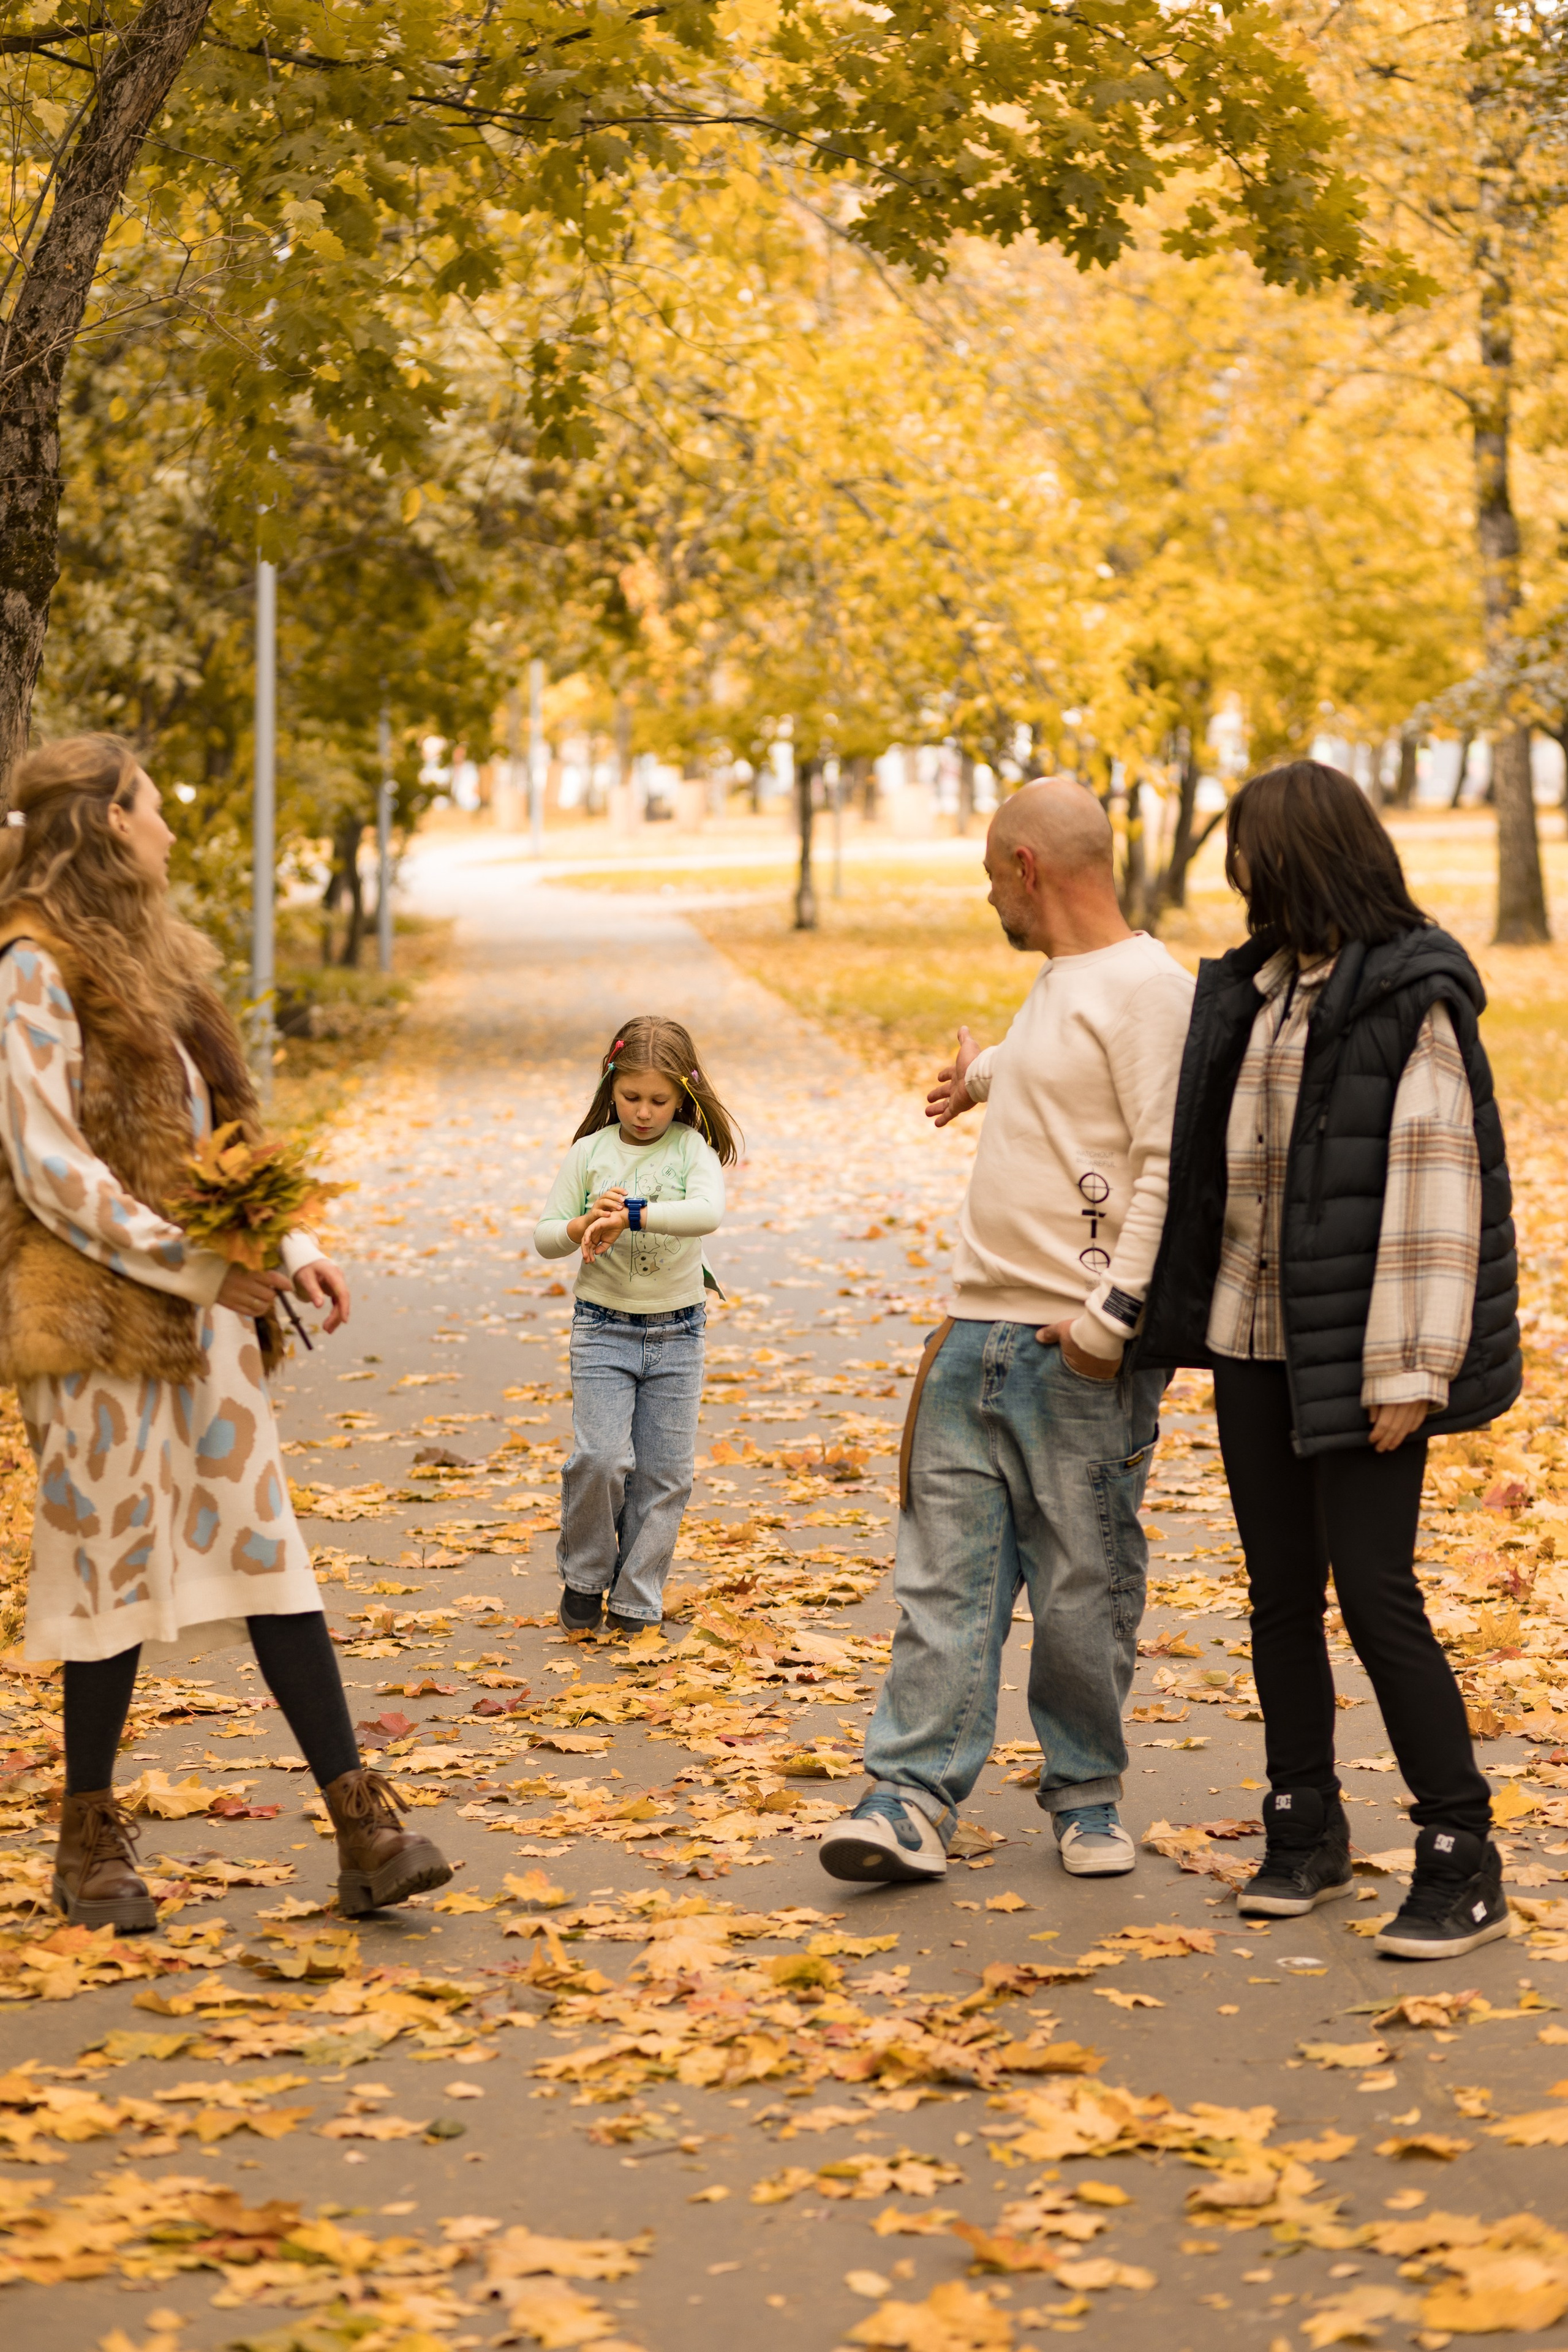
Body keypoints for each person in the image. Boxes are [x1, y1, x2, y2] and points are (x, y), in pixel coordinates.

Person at [0, 734, 452, 1931]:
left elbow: (220, 1132)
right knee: (110, 1572)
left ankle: (365, 1825)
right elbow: (51, 1169)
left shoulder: (161, 959)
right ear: (102, 823)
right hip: (97, 1322)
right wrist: (202, 1269)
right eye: (152, 808)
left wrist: (286, 1245)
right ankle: (88, 1843)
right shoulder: (33, 967)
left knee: (264, 1546)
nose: (169, 829)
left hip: (203, 1314)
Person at [1138, 761, 1520, 1960]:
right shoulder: (1260, 991)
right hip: (1255, 1341)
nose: (1232, 872)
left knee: (1373, 1593)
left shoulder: (1409, 997)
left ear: (1298, 858)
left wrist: (1409, 1368)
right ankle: (1301, 1826)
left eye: (1248, 851)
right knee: (1276, 1597)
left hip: (1363, 1356)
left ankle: (1460, 1854)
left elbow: (1434, 1182)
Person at [820, 778, 1196, 1887]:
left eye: (994, 878)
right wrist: (977, 1079)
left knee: (1083, 1591)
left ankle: (1085, 1793)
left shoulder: (1150, 991)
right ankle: (908, 1799)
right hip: (973, 1332)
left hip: (1072, 1351)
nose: (993, 901)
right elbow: (1050, 1074)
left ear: (1028, 867)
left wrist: (1111, 1324)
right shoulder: (1062, 985)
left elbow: (1171, 1161)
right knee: (944, 1581)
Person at [534, 1016, 737, 1634]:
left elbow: (707, 1213)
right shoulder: (590, 1153)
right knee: (599, 1459)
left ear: (683, 1096)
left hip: (678, 1332)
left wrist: (636, 1216)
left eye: (658, 1100)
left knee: (664, 1473)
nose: (643, 1112)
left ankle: (634, 1598)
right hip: (603, 1330)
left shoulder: (690, 1150)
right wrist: (581, 1225)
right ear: (610, 1087)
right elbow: (546, 1237)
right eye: (630, 1098)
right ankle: (586, 1575)